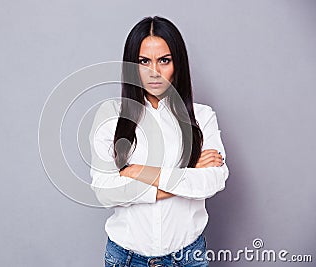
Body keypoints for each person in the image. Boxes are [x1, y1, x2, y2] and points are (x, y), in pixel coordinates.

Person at [89, 16, 229, 267]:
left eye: (164, 60)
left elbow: (213, 181)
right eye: (144, 61)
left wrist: (139, 172)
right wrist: (187, 173)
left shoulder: (202, 117)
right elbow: (104, 191)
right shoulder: (110, 117)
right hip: (126, 259)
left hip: (187, 259)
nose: (154, 72)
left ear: (178, 63)